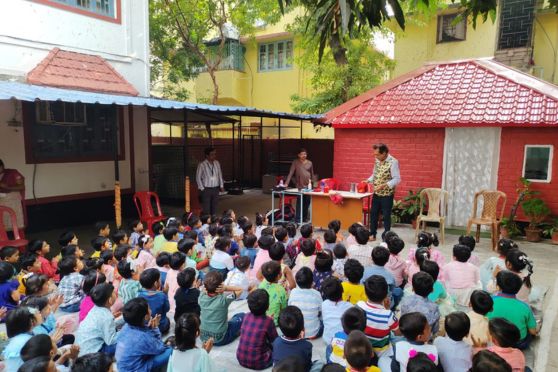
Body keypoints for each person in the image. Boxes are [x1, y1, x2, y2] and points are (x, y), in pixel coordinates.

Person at [115, 297, 172, 372]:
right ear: (146, 317)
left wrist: (151, 329)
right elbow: (160, 349)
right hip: (135, 369)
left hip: (123, 366)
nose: (151, 310)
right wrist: (155, 328)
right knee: (170, 350)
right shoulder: (142, 338)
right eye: (149, 309)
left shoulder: (126, 326)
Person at [487, 270, 537, 350]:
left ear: (498, 287)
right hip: (518, 343)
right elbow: (533, 331)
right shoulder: (524, 307)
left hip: (495, 340)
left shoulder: (490, 301)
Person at [364, 144, 401, 241]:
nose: (375, 157)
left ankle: (387, 237)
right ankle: (372, 234)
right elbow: (375, 174)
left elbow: (397, 179)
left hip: (387, 195)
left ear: (384, 153)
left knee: (386, 216)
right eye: (374, 155)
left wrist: (384, 185)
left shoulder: (393, 162)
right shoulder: (377, 160)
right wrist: (367, 180)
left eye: (377, 155)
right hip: (377, 193)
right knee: (373, 214)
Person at [357, 275, 399, 359]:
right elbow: (398, 332)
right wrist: (387, 309)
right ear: (386, 295)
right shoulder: (388, 315)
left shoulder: (359, 306)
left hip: (363, 347)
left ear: (365, 293)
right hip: (381, 352)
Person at [75, 283, 123, 356]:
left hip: (82, 350)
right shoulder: (107, 317)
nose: (116, 293)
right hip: (93, 354)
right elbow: (111, 340)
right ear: (110, 300)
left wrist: (123, 319)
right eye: (114, 293)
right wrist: (124, 330)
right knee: (124, 341)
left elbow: (105, 327)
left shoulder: (95, 309)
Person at [199, 271, 244, 346]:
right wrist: (226, 288)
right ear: (221, 285)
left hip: (204, 337)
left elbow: (204, 289)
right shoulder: (225, 299)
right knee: (242, 316)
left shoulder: (201, 297)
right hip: (221, 339)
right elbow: (240, 290)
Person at [236, 289, 278, 370]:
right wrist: (270, 323)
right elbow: (275, 341)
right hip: (259, 362)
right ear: (268, 306)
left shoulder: (246, 316)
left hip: (240, 358)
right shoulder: (268, 321)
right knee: (279, 347)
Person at [272, 306, 321, 371]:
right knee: (319, 363)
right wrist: (302, 340)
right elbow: (307, 364)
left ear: (280, 328)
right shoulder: (307, 345)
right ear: (302, 328)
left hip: (280, 369)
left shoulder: (276, 341)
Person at [288, 267, 323, 339]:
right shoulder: (317, 294)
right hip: (314, 333)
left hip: (297, 332)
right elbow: (321, 311)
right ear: (312, 282)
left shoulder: (293, 292)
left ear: (297, 281)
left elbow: (289, 306)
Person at [284, 148, 314, 222]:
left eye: (305, 154)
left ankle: (304, 218)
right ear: (298, 155)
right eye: (302, 154)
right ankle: (298, 219)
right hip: (300, 186)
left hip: (308, 186)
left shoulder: (310, 163)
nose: (304, 155)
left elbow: (312, 174)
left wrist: (314, 184)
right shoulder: (295, 162)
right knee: (300, 202)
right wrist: (286, 183)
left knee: (307, 202)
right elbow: (291, 173)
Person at [322, 277, 353, 345]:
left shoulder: (324, 304)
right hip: (343, 342)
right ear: (342, 290)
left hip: (327, 339)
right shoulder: (350, 306)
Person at [138, 268, 170, 334]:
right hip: (161, 326)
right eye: (159, 279)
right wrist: (165, 294)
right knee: (167, 321)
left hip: (147, 325)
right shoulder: (162, 296)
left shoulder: (139, 295)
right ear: (156, 283)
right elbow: (167, 309)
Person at [196, 147, 224, 216]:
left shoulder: (217, 163)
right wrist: (202, 188)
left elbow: (220, 174)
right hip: (206, 189)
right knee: (206, 207)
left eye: (215, 154)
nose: (214, 156)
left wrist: (221, 186)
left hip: (216, 188)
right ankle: (207, 222)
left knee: (214, 206)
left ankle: (213, 220)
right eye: (212, 154)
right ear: (207, 155)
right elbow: (198, 177)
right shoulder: (202, 165)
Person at [259, 261, 288, 325]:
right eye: (280, 272)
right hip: (274, 322)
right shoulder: (281, 289)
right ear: (278, 276)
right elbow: (284, 308)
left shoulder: (262, 284)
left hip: (262, 319)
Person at [0, 159, 26, 229]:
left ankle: (18, 236)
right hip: (1, 201)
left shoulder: (13, 173)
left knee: (15, 222)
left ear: (2, 166)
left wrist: (7, 187)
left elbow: (21, 187)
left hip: (12, 201)